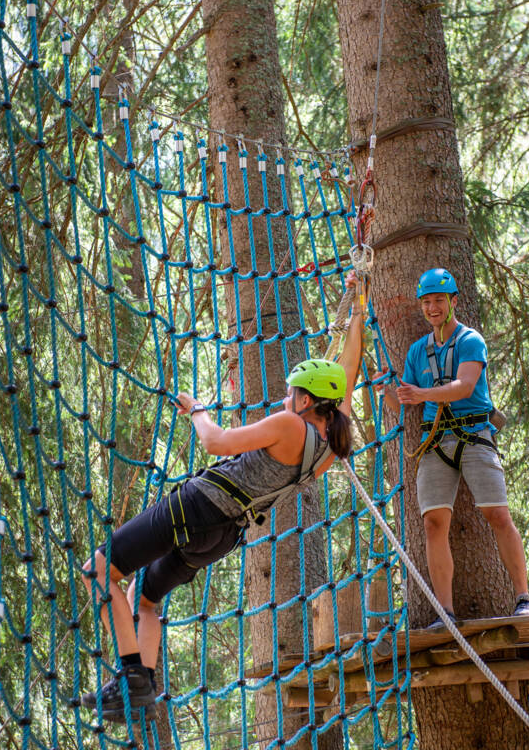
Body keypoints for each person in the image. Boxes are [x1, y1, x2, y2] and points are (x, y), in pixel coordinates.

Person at [79, 277, 367, 723]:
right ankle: (144, 689)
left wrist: (197, 410)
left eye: (292, 393)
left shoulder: (290, 426)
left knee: (99, 570)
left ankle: (132, 675)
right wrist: (358, 311)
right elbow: (349, 372)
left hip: (197, 507)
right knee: (145, 600)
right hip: (223, 536)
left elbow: (215, 441)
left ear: (307, 400)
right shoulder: (330, 446)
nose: (285, 397)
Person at [391, 267, 529, 630]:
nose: (433, 308)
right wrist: (384, 386)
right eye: (426, 302)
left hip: (474, 436)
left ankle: (523, 599)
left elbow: (464, 386)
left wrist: (421, 394)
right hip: (436, 441)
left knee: (497, 515)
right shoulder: (416, 351)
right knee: (433, 523)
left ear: (454, 301)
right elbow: (401, 405)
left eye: (439, 300)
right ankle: (446, 611)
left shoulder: (471, 341)